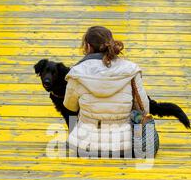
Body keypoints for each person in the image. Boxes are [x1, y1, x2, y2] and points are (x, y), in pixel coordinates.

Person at [63, 26, 150, 158]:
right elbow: (145, 108)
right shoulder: (131, 70)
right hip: (124, 146)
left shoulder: (77, 72)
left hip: (85, 146)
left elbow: (69, 106)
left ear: (88, 46)